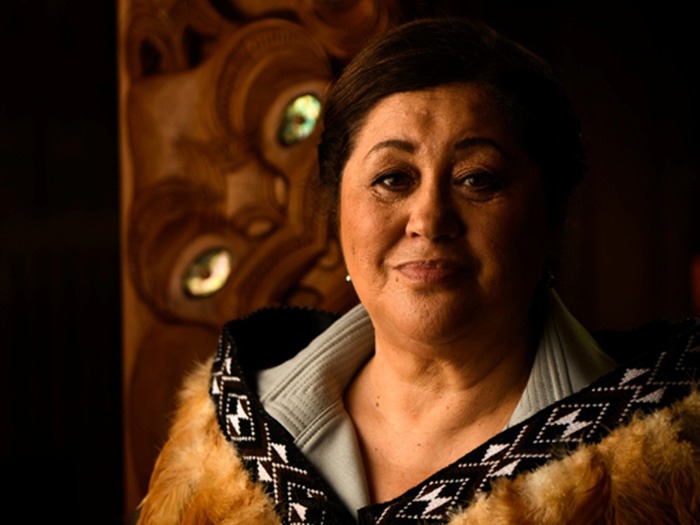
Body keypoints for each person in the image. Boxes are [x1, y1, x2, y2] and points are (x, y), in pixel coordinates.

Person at [135, 17, 700, 524]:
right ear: (336, 210)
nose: (429, 219)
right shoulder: (221, 440)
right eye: (393, 179)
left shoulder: (665, 465)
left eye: (477, 179)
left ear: (551, 216)